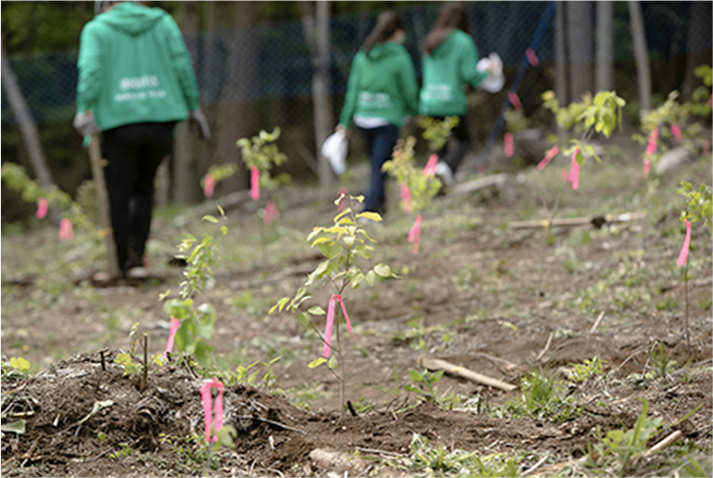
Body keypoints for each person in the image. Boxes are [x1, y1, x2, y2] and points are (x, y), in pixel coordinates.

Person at [74, 1, 209, 278]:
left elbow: (91, 70)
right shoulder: (162, 22)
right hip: (161, 118)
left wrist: (84, 108)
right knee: (144, 190)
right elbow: (181, 64)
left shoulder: (97, 29)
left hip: (117, 123)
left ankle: (124, 262)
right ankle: (137, 260)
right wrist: (192, 105)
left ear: (103, 5)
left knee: (119, 193)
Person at [337, 11, 419, 215]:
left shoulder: (363, 55)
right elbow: (409, 89)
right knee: (380, 169)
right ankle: (368, 210)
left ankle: (380, 210)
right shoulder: (400, 56)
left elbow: (353, 92)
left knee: (377, 165)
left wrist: (345, 122)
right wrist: (414, 110)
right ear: (398, 32)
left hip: (363, 119)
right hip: (387, 119)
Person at [419, 2, 489, 187]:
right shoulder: (463, 41)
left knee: (440, 146)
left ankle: (439, 183)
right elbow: (470, 76)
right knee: (464, 141)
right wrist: (488, 73)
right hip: (451, 101)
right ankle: (446, 170)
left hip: (429, 101)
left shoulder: (431, 40)